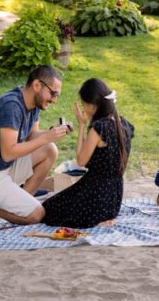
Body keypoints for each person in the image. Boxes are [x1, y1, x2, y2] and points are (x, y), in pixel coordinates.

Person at [0, 65, 70, 225]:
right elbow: (9, 153)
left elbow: (31, 136)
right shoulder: (11, 106)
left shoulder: (34, 104)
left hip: (2, 169)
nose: (54, 100)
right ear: (37, 85)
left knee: (49, 150)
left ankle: (21, 202)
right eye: (53, 93)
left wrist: (53, 132)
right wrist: (47, 137)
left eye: (57, 95)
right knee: (36, 215)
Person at [41, 77, 134, 228]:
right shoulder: (123, 123)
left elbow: (81, 161)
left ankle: (95, 220)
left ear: (91, 105)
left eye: (84, 103)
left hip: (95, 198)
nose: (83, 108)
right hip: (113, 200)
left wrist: (82, 126)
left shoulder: (99, 128)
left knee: (48, 209)